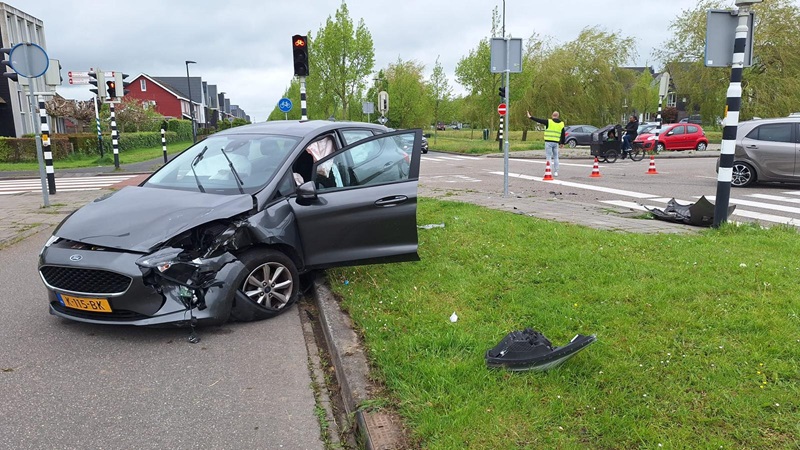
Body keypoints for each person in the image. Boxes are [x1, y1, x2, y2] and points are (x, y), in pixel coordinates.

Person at [526, 110, 565, 176]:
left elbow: (539, 120)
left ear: (552, 115)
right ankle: (556, 172)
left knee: (548, 157)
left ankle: (548, 170)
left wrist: (530, 117)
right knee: (556, 157)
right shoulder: (561, 124)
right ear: (558, 116)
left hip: (548, 142)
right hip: (556, 142)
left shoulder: (548, 122)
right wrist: (562, 143)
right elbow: (563, 134)